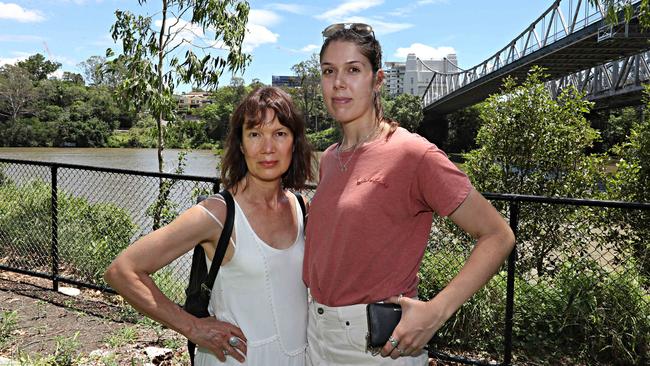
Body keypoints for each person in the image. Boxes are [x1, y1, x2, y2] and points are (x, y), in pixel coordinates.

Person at [302, 23, 516, 365]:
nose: (338, 82)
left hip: (377, 346)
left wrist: (436, 312)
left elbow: (498, 234)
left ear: (378, 80)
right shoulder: (330, 158)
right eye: (329, 71)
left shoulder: (413, 154)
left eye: (353, 70)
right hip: (315, 334)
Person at [105, 86, 314, 365]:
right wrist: (193, 328)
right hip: (238, 358)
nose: (267, 148)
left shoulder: (301, 206)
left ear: (294, 142)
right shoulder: (217, 214)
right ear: (240, 145)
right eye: (255, 134)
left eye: (279, 134)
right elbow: (122, 271)